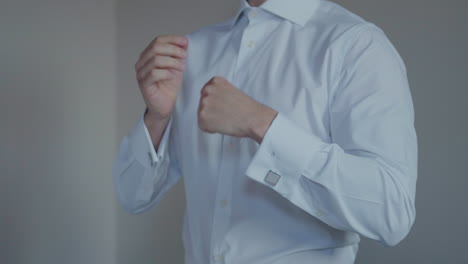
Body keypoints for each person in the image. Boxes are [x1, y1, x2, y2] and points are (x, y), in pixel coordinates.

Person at [112, 0, 418, 263]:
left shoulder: (355, 44)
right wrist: (157, 117)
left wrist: (263, 125)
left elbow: (391, 214)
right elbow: (133, 196)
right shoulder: (193, 52)